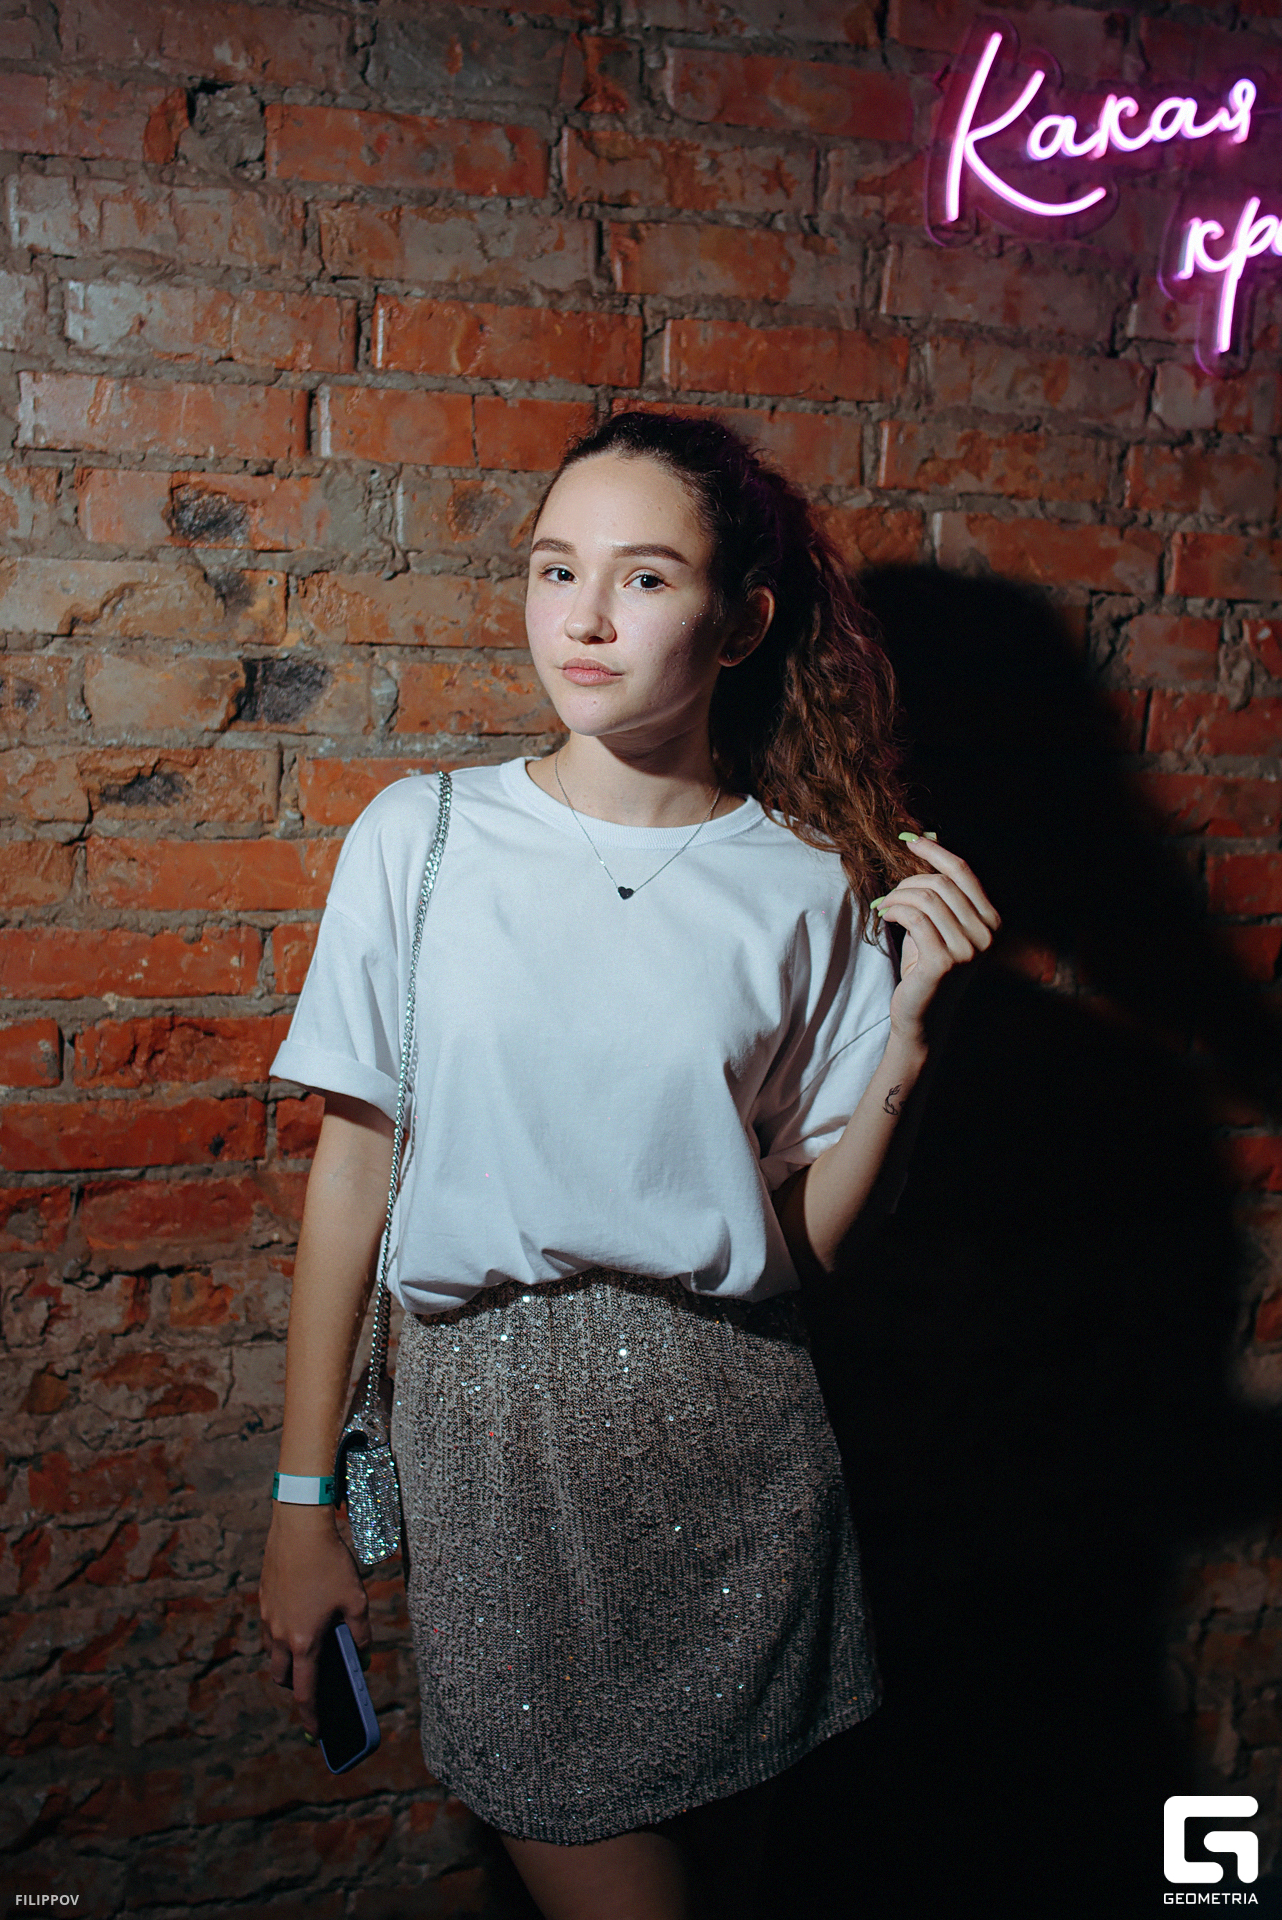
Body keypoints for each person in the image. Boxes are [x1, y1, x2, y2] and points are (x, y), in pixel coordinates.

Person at [258, 411, 999, 1920]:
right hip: (494, 1453)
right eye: (556, 569)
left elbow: (809, 1244)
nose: (583, 619)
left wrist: (912, 1042)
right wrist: (301, 1499)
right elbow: (354, 1173)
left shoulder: (805, 880)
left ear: (742, 624)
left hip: (741, 1451)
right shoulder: (422, 837)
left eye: (643, 577)